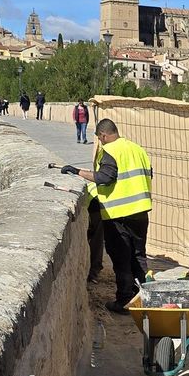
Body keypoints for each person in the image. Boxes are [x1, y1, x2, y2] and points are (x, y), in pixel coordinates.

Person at [61, 118, 152, 313]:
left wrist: (77, 171)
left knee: (121, 258)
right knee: (138, 255)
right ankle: (144, 297)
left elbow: (104, 177)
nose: (100, 142)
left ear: (103, 135)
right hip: (140, 211)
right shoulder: (137, 149)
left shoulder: (110, 150)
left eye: (100, 139)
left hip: (117, 213)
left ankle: (125, 301)